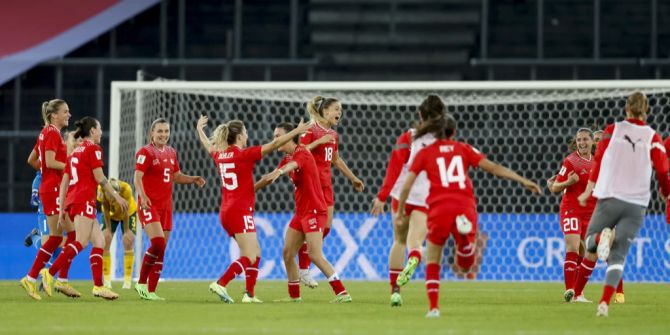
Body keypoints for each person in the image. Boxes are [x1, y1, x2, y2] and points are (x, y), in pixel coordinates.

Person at [397, 112, 542, 318]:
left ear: (434, 133)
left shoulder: (425, 153)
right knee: (465, 265)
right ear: (454, 132)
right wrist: (522, 180)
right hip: (464, 204)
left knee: (433, 259)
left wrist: (402, 210)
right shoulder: (463, 148)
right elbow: (493, 168)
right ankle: (465, 243)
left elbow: (407, 185)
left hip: (439, 207)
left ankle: (434, 308)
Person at [196, 115, 309, 303]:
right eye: (245, 133)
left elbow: (208, 145)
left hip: (227, 210)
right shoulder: (243, 155)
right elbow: (274, 144)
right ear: (239, 136)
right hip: (239, 210)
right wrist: (296, 131)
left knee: (255, 252)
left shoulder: (220, 154)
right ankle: (221, 283)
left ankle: (249, 294)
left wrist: (199, 129)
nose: (247, 136)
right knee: (249, 255)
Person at [576, 91, 670, 317]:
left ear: (627, 108)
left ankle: (602, 237)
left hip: (610, 196)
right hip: (636, 203)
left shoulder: (612, 131)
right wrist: (667, 193)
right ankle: (604, 304)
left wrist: (589, 189)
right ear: (646, 110)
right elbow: (663, 170)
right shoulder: (652, 137)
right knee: (618, 256)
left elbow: (598, 160)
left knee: (590, 242)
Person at [255, 122, 352, 303]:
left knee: (315, 254)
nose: (274, 140)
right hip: (301, 213)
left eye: (278, 136)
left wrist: (281, 171)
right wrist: (250, 190)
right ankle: (294, 296)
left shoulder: (302, 153)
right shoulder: (286, 158)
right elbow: (268, 178)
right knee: (287, 253)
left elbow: (293, 165)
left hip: (315, 211)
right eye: (274, 136)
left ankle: (342, 293)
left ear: (290, 137)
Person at [41, 117, 129, 300]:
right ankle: (49, 273)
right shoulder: (93, 149)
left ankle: (98, 286)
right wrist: (117, 195)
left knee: (99, 242)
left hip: (75, 201)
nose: (101, 132)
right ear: (93, 131)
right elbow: (100, 177)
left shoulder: (74, 153)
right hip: (83, 200)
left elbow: (65, 182)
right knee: (80, 242)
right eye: (99, 128)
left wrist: (62, 207)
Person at [370, 95, 444, 307]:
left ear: (420, 115)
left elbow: (394, 169)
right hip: (425, 199)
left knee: (399, 241)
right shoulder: (443, 142)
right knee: (415, 243)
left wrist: (382, 196)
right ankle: (414, 258)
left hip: (400, 197)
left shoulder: (408, 138)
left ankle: (395, 291)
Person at [134, 118, 205, 301]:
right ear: (152, 133)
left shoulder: (171, 152)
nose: (163, 134)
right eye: (160, 131)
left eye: (166, 131)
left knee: (162, 248)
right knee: (157, 242)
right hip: (149, 204)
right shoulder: (146, 152)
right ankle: (141, 283)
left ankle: (151, 291)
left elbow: (175, 175)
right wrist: (142, 196)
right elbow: (137, 176)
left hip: (166, 207)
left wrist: (192, 179)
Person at [297, 96, 365, 288]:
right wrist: (317, 143)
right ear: (325, 111)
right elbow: (300, 152)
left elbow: (335, 159)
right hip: (312, 185)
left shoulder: (333, 135)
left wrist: (353, 177)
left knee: (325, 228)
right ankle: (303, 269)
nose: (339, 113)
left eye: (340, 110)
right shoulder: (310, 129)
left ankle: (306, 256)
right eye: (336, 109)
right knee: (315, 229)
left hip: (326, 186)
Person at [20, 99, 77, 301]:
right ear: (54, 115)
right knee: (64, 237)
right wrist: (71, 167)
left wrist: (45, 172)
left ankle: (38, 276)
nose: (69, 115)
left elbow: (32, 160)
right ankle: (41, 276)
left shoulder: (45, 133)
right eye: (65, 111)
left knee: (63, 237)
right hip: (53, 190)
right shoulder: (52, 133)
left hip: (51, 187)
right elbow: (51, 161)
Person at [548, 128, 599, 303]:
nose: (582, 143)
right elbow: (554, 187)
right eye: (579, 140)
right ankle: (570, 292)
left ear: (592, 141)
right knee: (573, 247)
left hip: (590, 212)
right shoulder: (570, 161)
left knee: (589, 252)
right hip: (571, 209)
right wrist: (569, 182)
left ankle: (579, 293)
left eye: (585, 139)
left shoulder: (598, 162)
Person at [97, 178, 137, 289]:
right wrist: (108, 229)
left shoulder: (126, 189)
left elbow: (125, 210)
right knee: (105, 240)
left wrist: (127, 231)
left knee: (128, 241)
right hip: (111, 214)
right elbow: (105, 207)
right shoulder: (101, 189)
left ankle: (127, 281)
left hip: (129, 213)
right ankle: (107, 281)